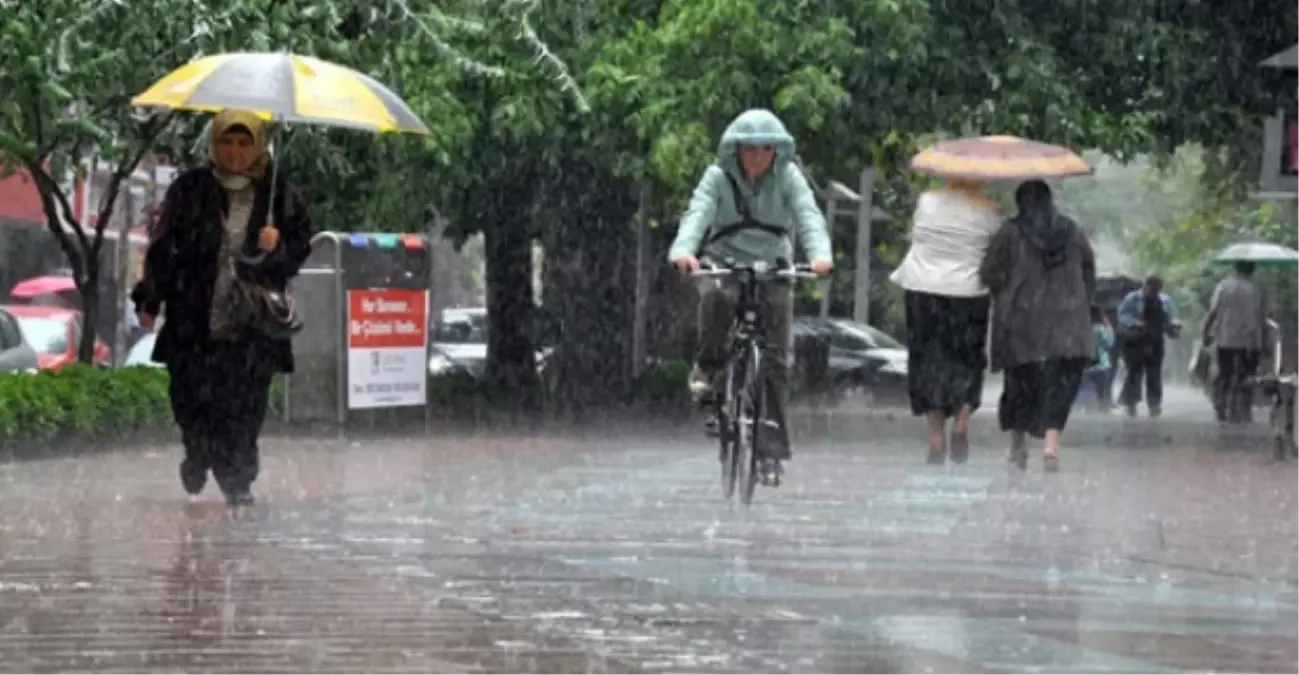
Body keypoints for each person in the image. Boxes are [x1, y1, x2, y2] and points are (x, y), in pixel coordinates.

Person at [131, 109, 313, 506]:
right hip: (194, 320)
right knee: (190, 398)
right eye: (226, 142)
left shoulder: (277, 194)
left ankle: (238, 481)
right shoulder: (190, 189)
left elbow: (299, 250)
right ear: (214, 144)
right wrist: (150, 299)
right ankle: (198, 453)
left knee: (245, 407)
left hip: (251, 328)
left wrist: (275, 247)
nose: (234, 152)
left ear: (258, 146)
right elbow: (164, 247)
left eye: (244, 142)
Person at [667, 109, 833, 481]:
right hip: (723, 262)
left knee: (776, 355)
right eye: (749, 149)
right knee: (717, 300)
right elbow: (697, 214)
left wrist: (821, 256)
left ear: (777, 151)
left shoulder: (789, 177)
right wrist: (685, 252)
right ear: (735, 150)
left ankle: (770, 442)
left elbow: (808, 215)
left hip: (773, 266)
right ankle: (707, 376)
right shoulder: (717, 178)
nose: (758, 157)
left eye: (765, 149)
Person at [981, 180, 1096, 472]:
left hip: (1022, 321)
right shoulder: (1073, 231)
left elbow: (989, 273)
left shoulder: (1009, 232)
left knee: (1020, 382)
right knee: (1060, 385)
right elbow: (1088, 271)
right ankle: (1051, 447)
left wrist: (1004, 295)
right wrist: (1079, 303)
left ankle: (1018, 445)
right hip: (1068, 324)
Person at [889, 178, 1001, 465]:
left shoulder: (927, 201)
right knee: (968, 359)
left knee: (928, 360)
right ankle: (962, 422)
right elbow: (994, 250)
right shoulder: (988, 209)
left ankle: (936, 436)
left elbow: (918, 235)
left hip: (923, 289)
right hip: (968, 293)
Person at [1202, 261, 1269, 423]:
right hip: (1250, 340)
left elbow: (1213, 312)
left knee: (1224, 373)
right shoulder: (1258, 289)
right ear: (1253, 270)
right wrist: (1265, 343)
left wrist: (1205, 332)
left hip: (1226, 338)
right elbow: (1262, 318)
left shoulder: (1224, 286)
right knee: (1248, 375)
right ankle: (1243, 407)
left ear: (1236, 269)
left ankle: (1220, 406)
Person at [1116, 276, 1179, 418]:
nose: (1153, 292)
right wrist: (1134, 322)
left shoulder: (1165, 301)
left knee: (1155, 373)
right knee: (1134, 372)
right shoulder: (1132, 298)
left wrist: (1173, 325)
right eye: (1151, 289)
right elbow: (1122, 315)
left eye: (1156, 289)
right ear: (1145, 286)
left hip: (1155, 341)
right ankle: (1131, 402)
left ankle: (1154, 404)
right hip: (1135, 341)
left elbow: (1172, 317)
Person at [1081, 304, 1115, 412]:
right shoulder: (1099, 329)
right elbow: (1109, 343)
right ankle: (1103, 415)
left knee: (1087, 397)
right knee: (1103, 397)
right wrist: (1109, 326)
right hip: (1102, 367)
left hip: (1086, 367)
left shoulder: (1081, 329)